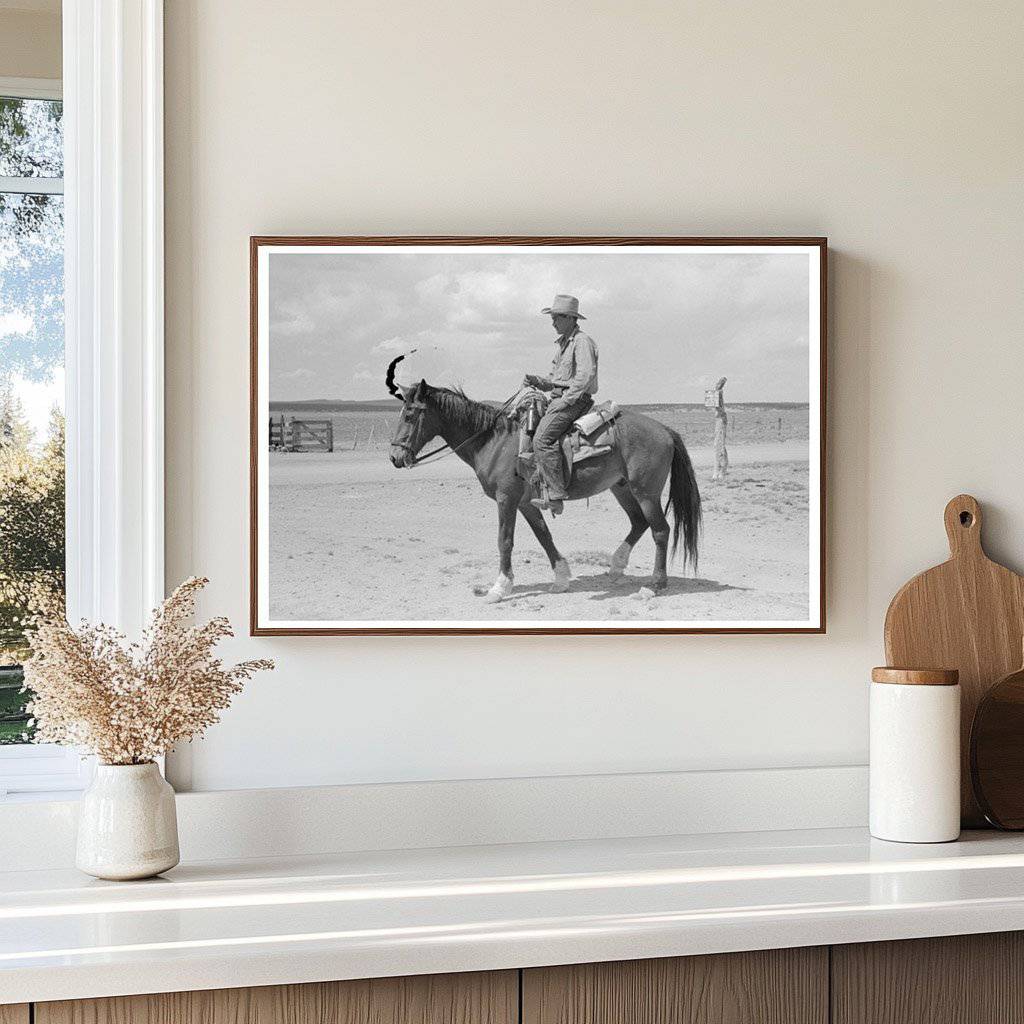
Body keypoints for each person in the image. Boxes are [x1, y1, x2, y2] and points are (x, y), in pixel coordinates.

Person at [523, 294, 599, 514]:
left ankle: (555, 495)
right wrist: (538, 381)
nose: (553, 322)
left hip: (575, 400)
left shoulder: (582, 341)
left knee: (542, 439)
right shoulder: (564, 344)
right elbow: (556, 380)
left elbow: (584, 377)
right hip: (561, 398)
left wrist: (564, 401)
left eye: (556, 317)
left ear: (569, 318)